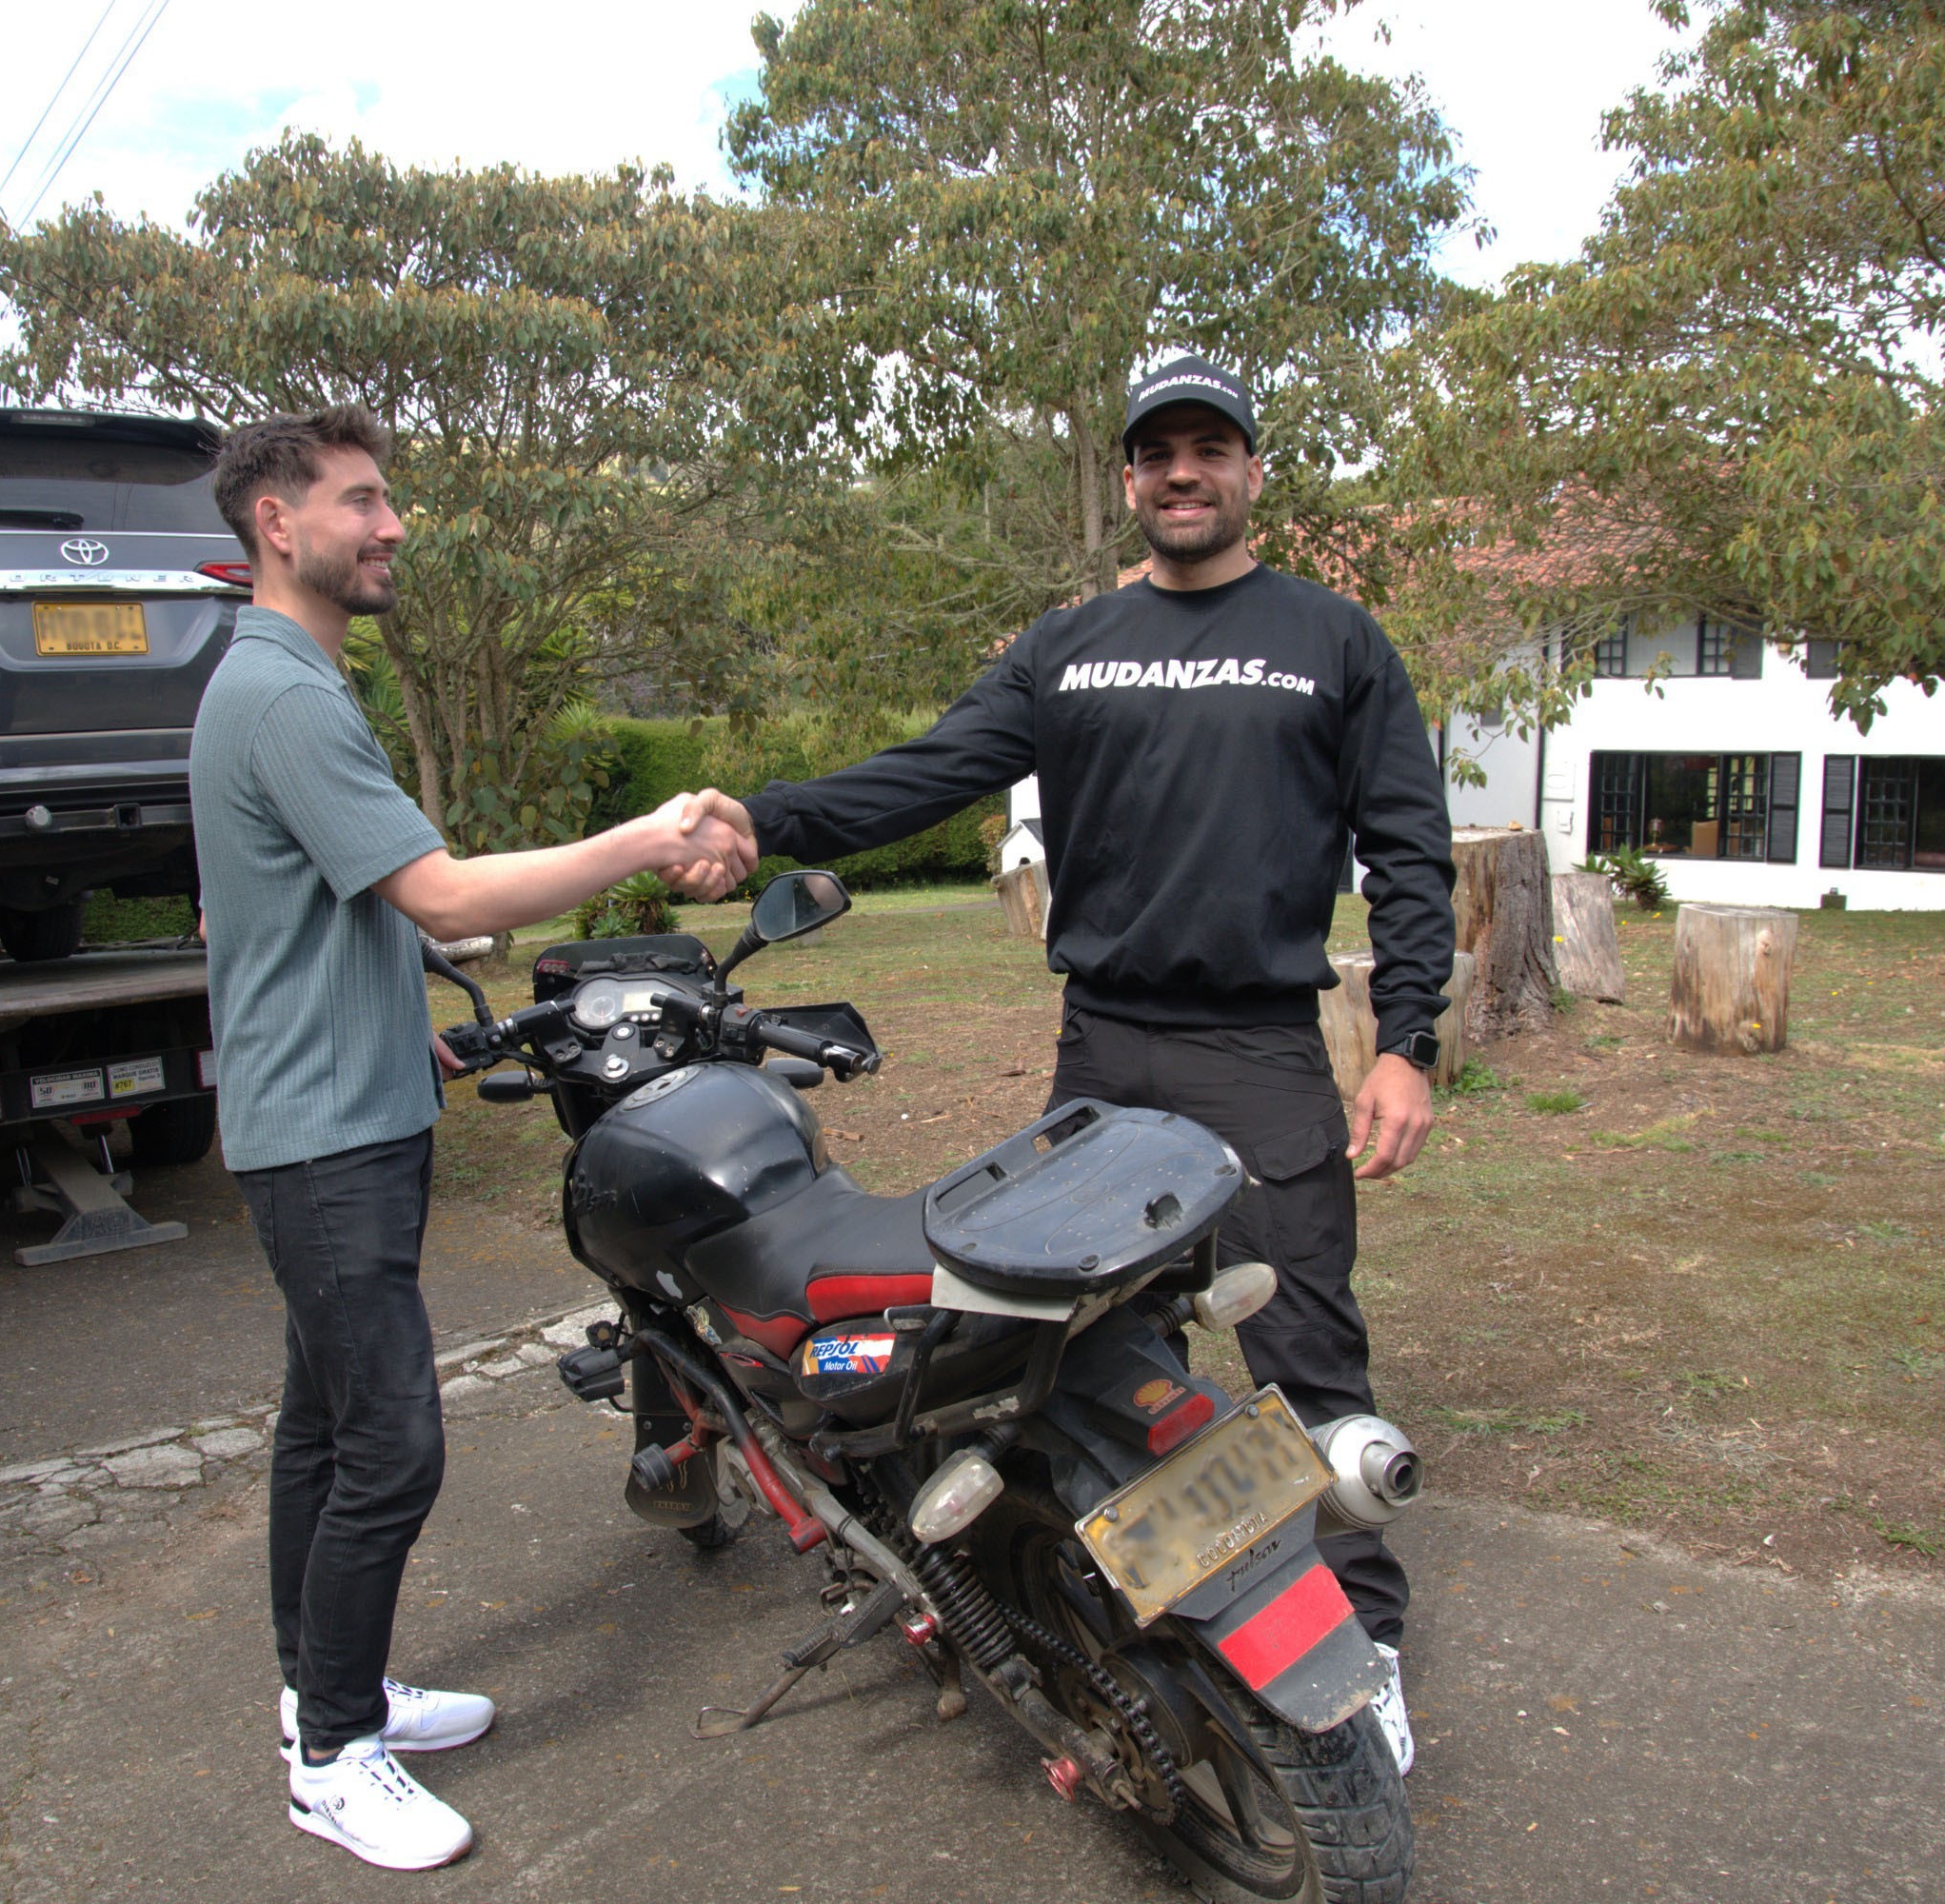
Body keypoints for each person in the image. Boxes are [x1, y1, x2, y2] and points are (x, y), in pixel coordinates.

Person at [700, 354, 1454, 1774]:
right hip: (1102, 1050)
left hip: (1258, 1048)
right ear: (1129, 482)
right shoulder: (1070, 648)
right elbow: (927, 772)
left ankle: (1363, 1650)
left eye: (1209, 448)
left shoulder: (1334, 640)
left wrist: (1405, 1042)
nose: (1183, 472)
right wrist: (768, 817)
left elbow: (1410, 852)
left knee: (1303, 1349)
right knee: (1094, 1346)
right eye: (1157, 452)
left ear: (1247, 472)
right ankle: (1165, 1601)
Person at [191, 405, 748, 1871]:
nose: (390, 527)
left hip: (333, 1110)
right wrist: (642, 841)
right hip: (320, 1144)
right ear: (278, 522)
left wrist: (413, 1036)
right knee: (390, 1446)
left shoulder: (277, 680)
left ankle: (331, 1691)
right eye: (362, 501)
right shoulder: (285, 694)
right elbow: (442, 900)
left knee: (321, 1431)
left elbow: (310, 920)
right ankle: (331, 1756)